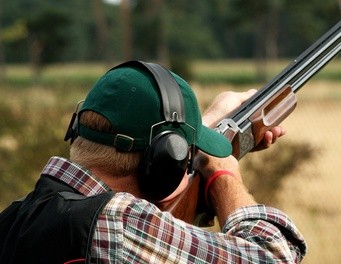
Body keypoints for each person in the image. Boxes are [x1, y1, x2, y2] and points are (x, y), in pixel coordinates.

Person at [0, 60, 306, 263]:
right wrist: (223, 173)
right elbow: (273, 256)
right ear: (161, 166)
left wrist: (203, 127)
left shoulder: (17, 220)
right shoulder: (116, 222)